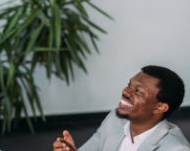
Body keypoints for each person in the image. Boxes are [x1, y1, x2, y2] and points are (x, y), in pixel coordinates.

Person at [53, 65, 190, 151]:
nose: (125, 91)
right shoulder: (115, 119)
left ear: (160, 107)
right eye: (129, 84)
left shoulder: (176, 148)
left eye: (138, 91)